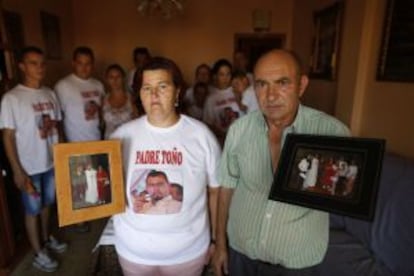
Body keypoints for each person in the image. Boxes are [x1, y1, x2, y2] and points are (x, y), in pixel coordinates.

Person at [212, 49, 350, 276]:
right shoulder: (239, 130)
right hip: (241, 254)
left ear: (301, 85)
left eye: (282, 83)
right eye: (262, 84)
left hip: (296, 262)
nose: (271, 95)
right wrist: (219, 245)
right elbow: (226, 188)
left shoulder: (332, 133)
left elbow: (344, 193)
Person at [110, 56, 221, 276]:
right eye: (146, 88)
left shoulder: (201, 136)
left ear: (178, 92)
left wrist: (217, 240)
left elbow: (216, 192)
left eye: (162, 86)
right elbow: (108, 189)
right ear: (139, 94)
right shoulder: (120, 137)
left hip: (187, 253)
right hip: (134, 252)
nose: (154, 95)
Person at [0, 46, 67, 272]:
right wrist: (17, 170)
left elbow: (57, 127)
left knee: (48, 204)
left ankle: (46, 238)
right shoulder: (12, 98)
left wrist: (62, 156)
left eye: (42, 63)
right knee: (32, 210)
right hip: (28, 167)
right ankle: (38, 252)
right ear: (21, 66)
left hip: (50, 163)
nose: (39, 68)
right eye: (33, 63)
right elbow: (7, 136)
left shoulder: (50, 93)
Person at [55, 46, 104, 232]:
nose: (84, 68)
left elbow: (101, 113)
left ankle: (93, 213)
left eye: (88, 64)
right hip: (74, 142)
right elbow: (58, 117)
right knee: (78, 183)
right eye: (80, 63)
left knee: (94, 180)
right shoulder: (63, 86)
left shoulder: (98, 85)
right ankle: (79, 220)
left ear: (92, 64)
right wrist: (62, 142)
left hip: (96, 139)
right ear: (73, 63)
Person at [203, 59, 244, 145]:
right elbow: (208, 124)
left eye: (228, 74)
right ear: (215, 76)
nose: (225, 78)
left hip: (241, 139)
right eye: (222, 74)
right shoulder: (211, 99)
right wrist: (224, 135)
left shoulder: (238, 91)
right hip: (222, 142)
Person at [102, 64, 139, 139]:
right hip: (109, 143)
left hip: (128, 141)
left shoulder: (131, 98)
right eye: (111, 77)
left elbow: (138, 123)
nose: (115, 80)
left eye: (118, 76)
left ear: (123, 78)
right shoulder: (103, 99)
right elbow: (100, 125)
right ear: (107, 79)